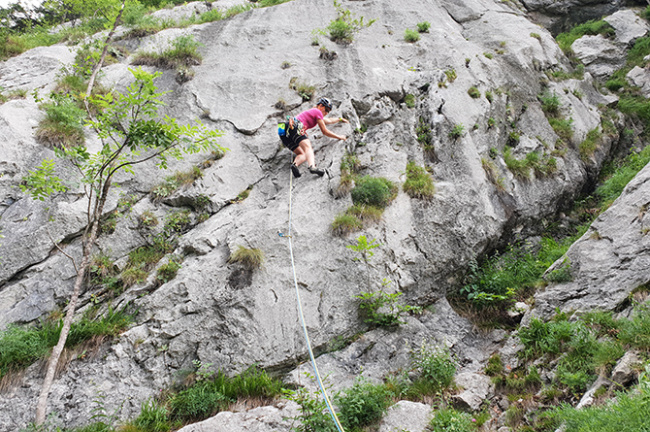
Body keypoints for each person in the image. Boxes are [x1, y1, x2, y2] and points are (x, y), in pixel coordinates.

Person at [278, 97, 349, 178]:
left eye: (328, 111)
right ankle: (312, 167)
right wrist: (340, 137)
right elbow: (324, 131)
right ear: (321, 106)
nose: (326, 113)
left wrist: (340, 119)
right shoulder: (317, 111)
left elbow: (328, 121)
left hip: (283, 131)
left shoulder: (314, 112)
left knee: (303, 154)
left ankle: (295, 165)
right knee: (308, 148)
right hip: (295, 126)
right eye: (326, 110)